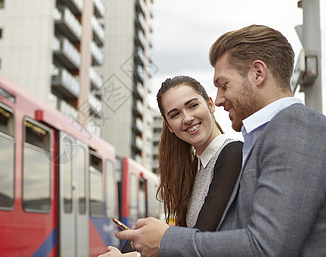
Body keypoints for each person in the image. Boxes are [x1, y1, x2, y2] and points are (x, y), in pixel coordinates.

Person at [114, 24, 326, 257]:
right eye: (174, 114)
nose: (219, 99)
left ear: (258, 73)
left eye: (224, 85)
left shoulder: (295, 126)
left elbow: (265, 247)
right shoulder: (269, 134)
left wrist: (164, 240)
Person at [100, 76, 242, 257]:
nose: (187, 118)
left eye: (193, 105)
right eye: (175, 114)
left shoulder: (232, 153)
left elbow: (201, 240)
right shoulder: (196, 166)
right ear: (169, 127)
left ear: (210, 104)